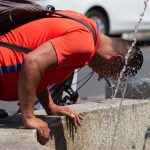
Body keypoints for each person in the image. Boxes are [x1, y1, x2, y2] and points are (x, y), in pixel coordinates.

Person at [0, 10, 143, 145]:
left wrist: (50, 107)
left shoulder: (87, 26)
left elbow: (39, 70)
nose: (101, 75)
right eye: (109, 75)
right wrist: (29, 117)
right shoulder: (83, 44)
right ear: (115, 60)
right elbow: (32, 63)